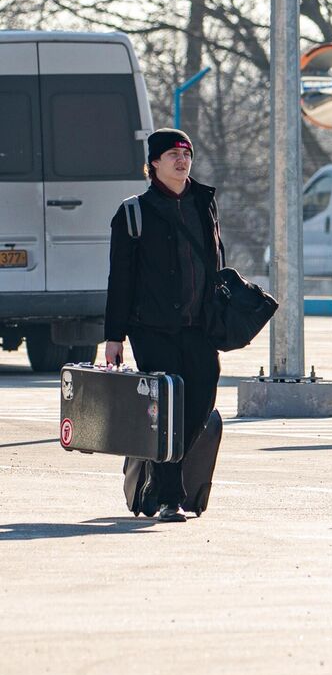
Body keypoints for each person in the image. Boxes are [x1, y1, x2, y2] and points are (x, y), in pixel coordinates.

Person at [104, 129, 223, 523]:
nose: (181, 160)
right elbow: (120, 279)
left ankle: (156, 466)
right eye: (172, 154)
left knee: (202, 397)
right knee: (168, 407)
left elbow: (215, 261)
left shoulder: (204, 202)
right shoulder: (134, 212)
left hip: (199, 326)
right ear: (153, 162)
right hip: (151, 327)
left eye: (186, 153)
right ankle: (170, 494)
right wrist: (113, 336)